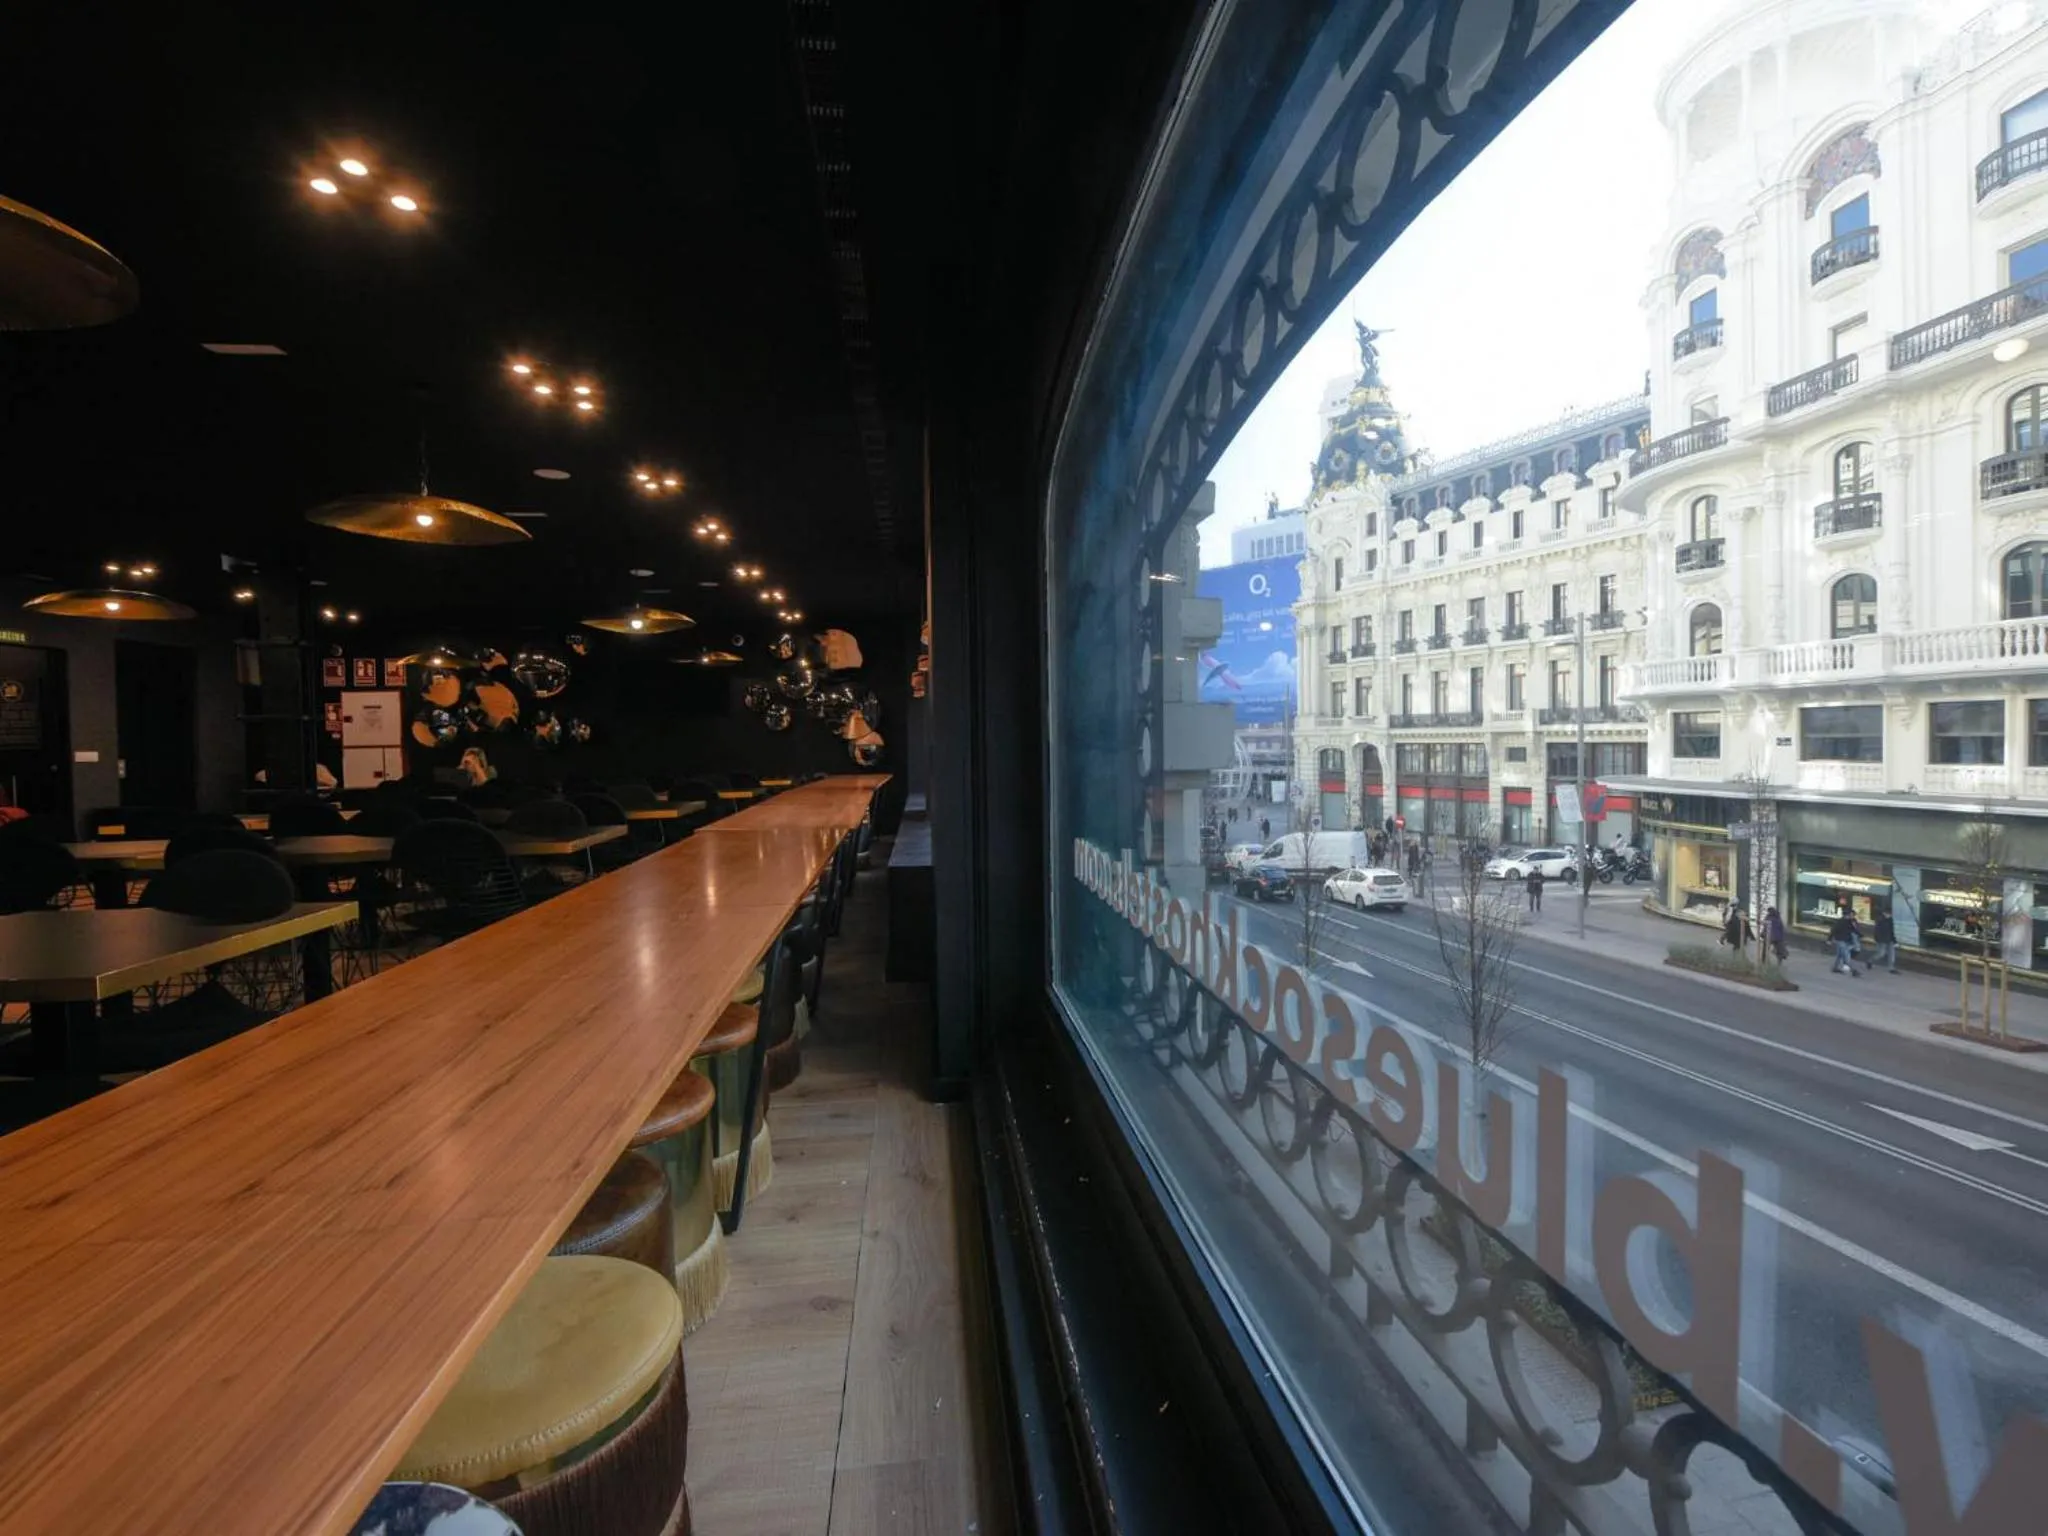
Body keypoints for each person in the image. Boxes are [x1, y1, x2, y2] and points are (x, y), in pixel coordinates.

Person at [1829, 911, 1857, 976]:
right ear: (1847, 915)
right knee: (1846, 955)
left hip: (1845, 940)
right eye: (1852, 915)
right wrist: (1829, 939)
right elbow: (1833, 930)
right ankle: (1853, 970)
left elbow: (1853, 930)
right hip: (1840, 940)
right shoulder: (1840, 922)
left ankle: (1835, 967)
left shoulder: (1850, 922)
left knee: (1839, 955)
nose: (1853, 917)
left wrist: (1854, 925)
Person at [1873, 909, 1899, 974]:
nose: (1889, 915)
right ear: (1884, 913)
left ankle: (1891, 968)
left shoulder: (1890, 920)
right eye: (1888, 914)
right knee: (1881, 954)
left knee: (1891, 954)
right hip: (1882, 940)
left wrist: (1894, 941)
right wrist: (1877, 939)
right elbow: (1877, 931)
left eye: (1890, 914)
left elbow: (1891, 931)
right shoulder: (1880, 920)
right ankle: (1870, 961)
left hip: (1889, 940)